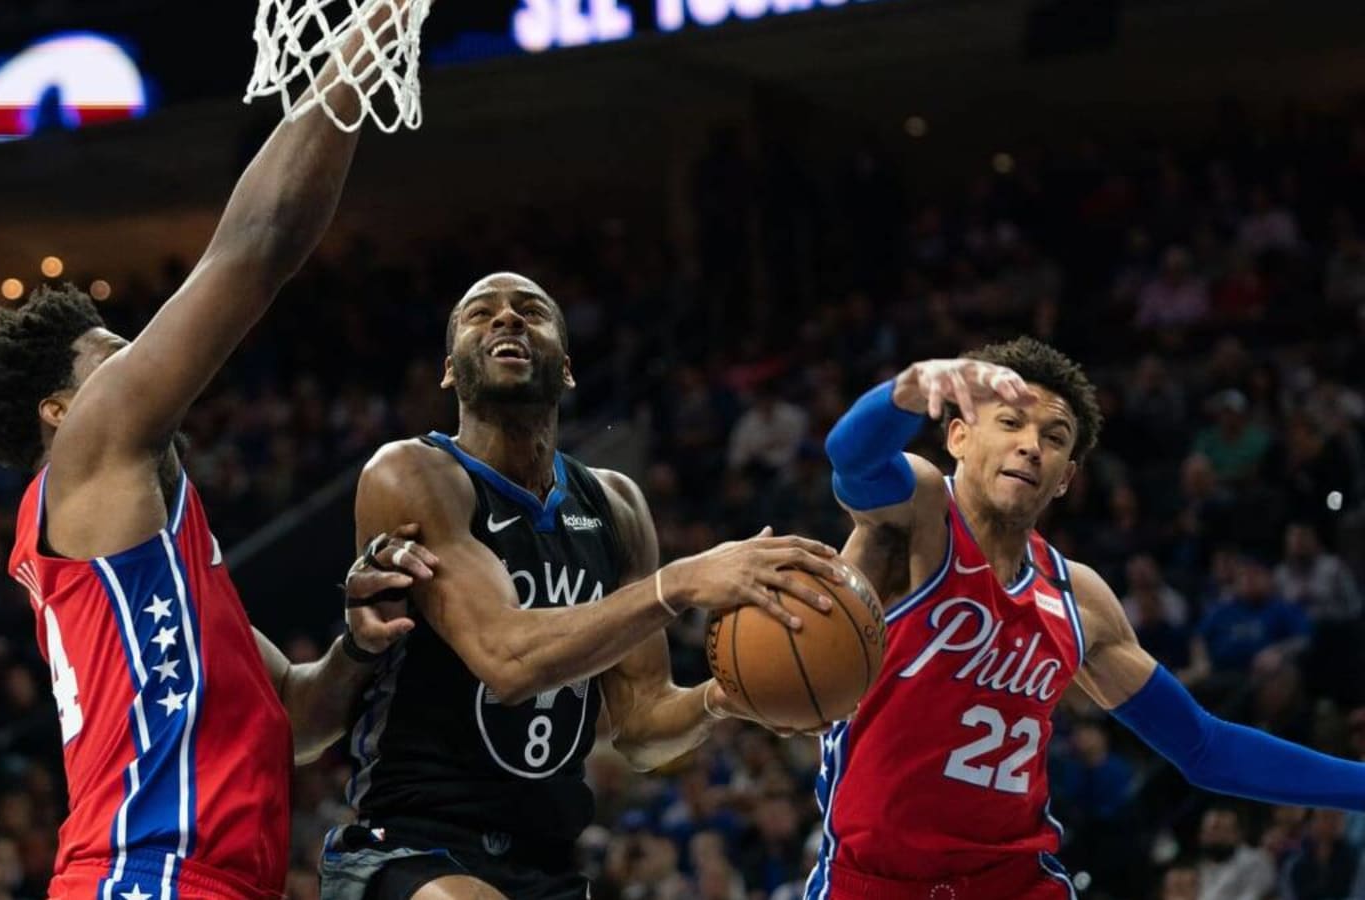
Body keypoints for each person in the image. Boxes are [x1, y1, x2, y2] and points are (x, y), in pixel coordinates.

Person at [0, 11, 433, 899]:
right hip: (149, 875)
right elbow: (258, 246)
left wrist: (358, 648)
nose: (143, 359)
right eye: (115, 353)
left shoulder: (154, 563)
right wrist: (366, 41)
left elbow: (297, 717)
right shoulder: (89, 452)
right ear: (62, 410)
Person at [324, 272, 847, 900]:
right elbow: (508, 662)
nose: (507, 320)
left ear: (567, 369)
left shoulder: (616, 504)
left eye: (531, 311)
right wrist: (678, 582)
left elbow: (642, 727)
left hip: (548, 863)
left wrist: (732, 694)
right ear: (449, 371)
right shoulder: (412, 472)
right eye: (480, 313)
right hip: (412, 846)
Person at [812, 337, 1365, 899]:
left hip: (1013, 882)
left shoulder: (1080, 599)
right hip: (873, 880)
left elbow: (1205, 748)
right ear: (958, 435)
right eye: (1010, 423)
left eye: (1053, 439)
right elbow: (853, 460)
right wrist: (904, 393)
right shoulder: (922, 517)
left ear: (1066, 479)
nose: (1031, 446)